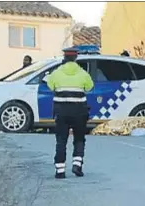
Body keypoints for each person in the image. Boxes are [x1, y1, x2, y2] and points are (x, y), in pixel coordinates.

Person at [47, 47, 94, 179]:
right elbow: (90, 87)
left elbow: (50, 86)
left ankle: (60, 170)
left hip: (61, 113)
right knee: (79, 139)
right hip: (79, 112)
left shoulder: (56, 73)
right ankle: (77, 165)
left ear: (64, 58)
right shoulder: (83, 73)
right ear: (76, 58)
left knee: (61, 141)